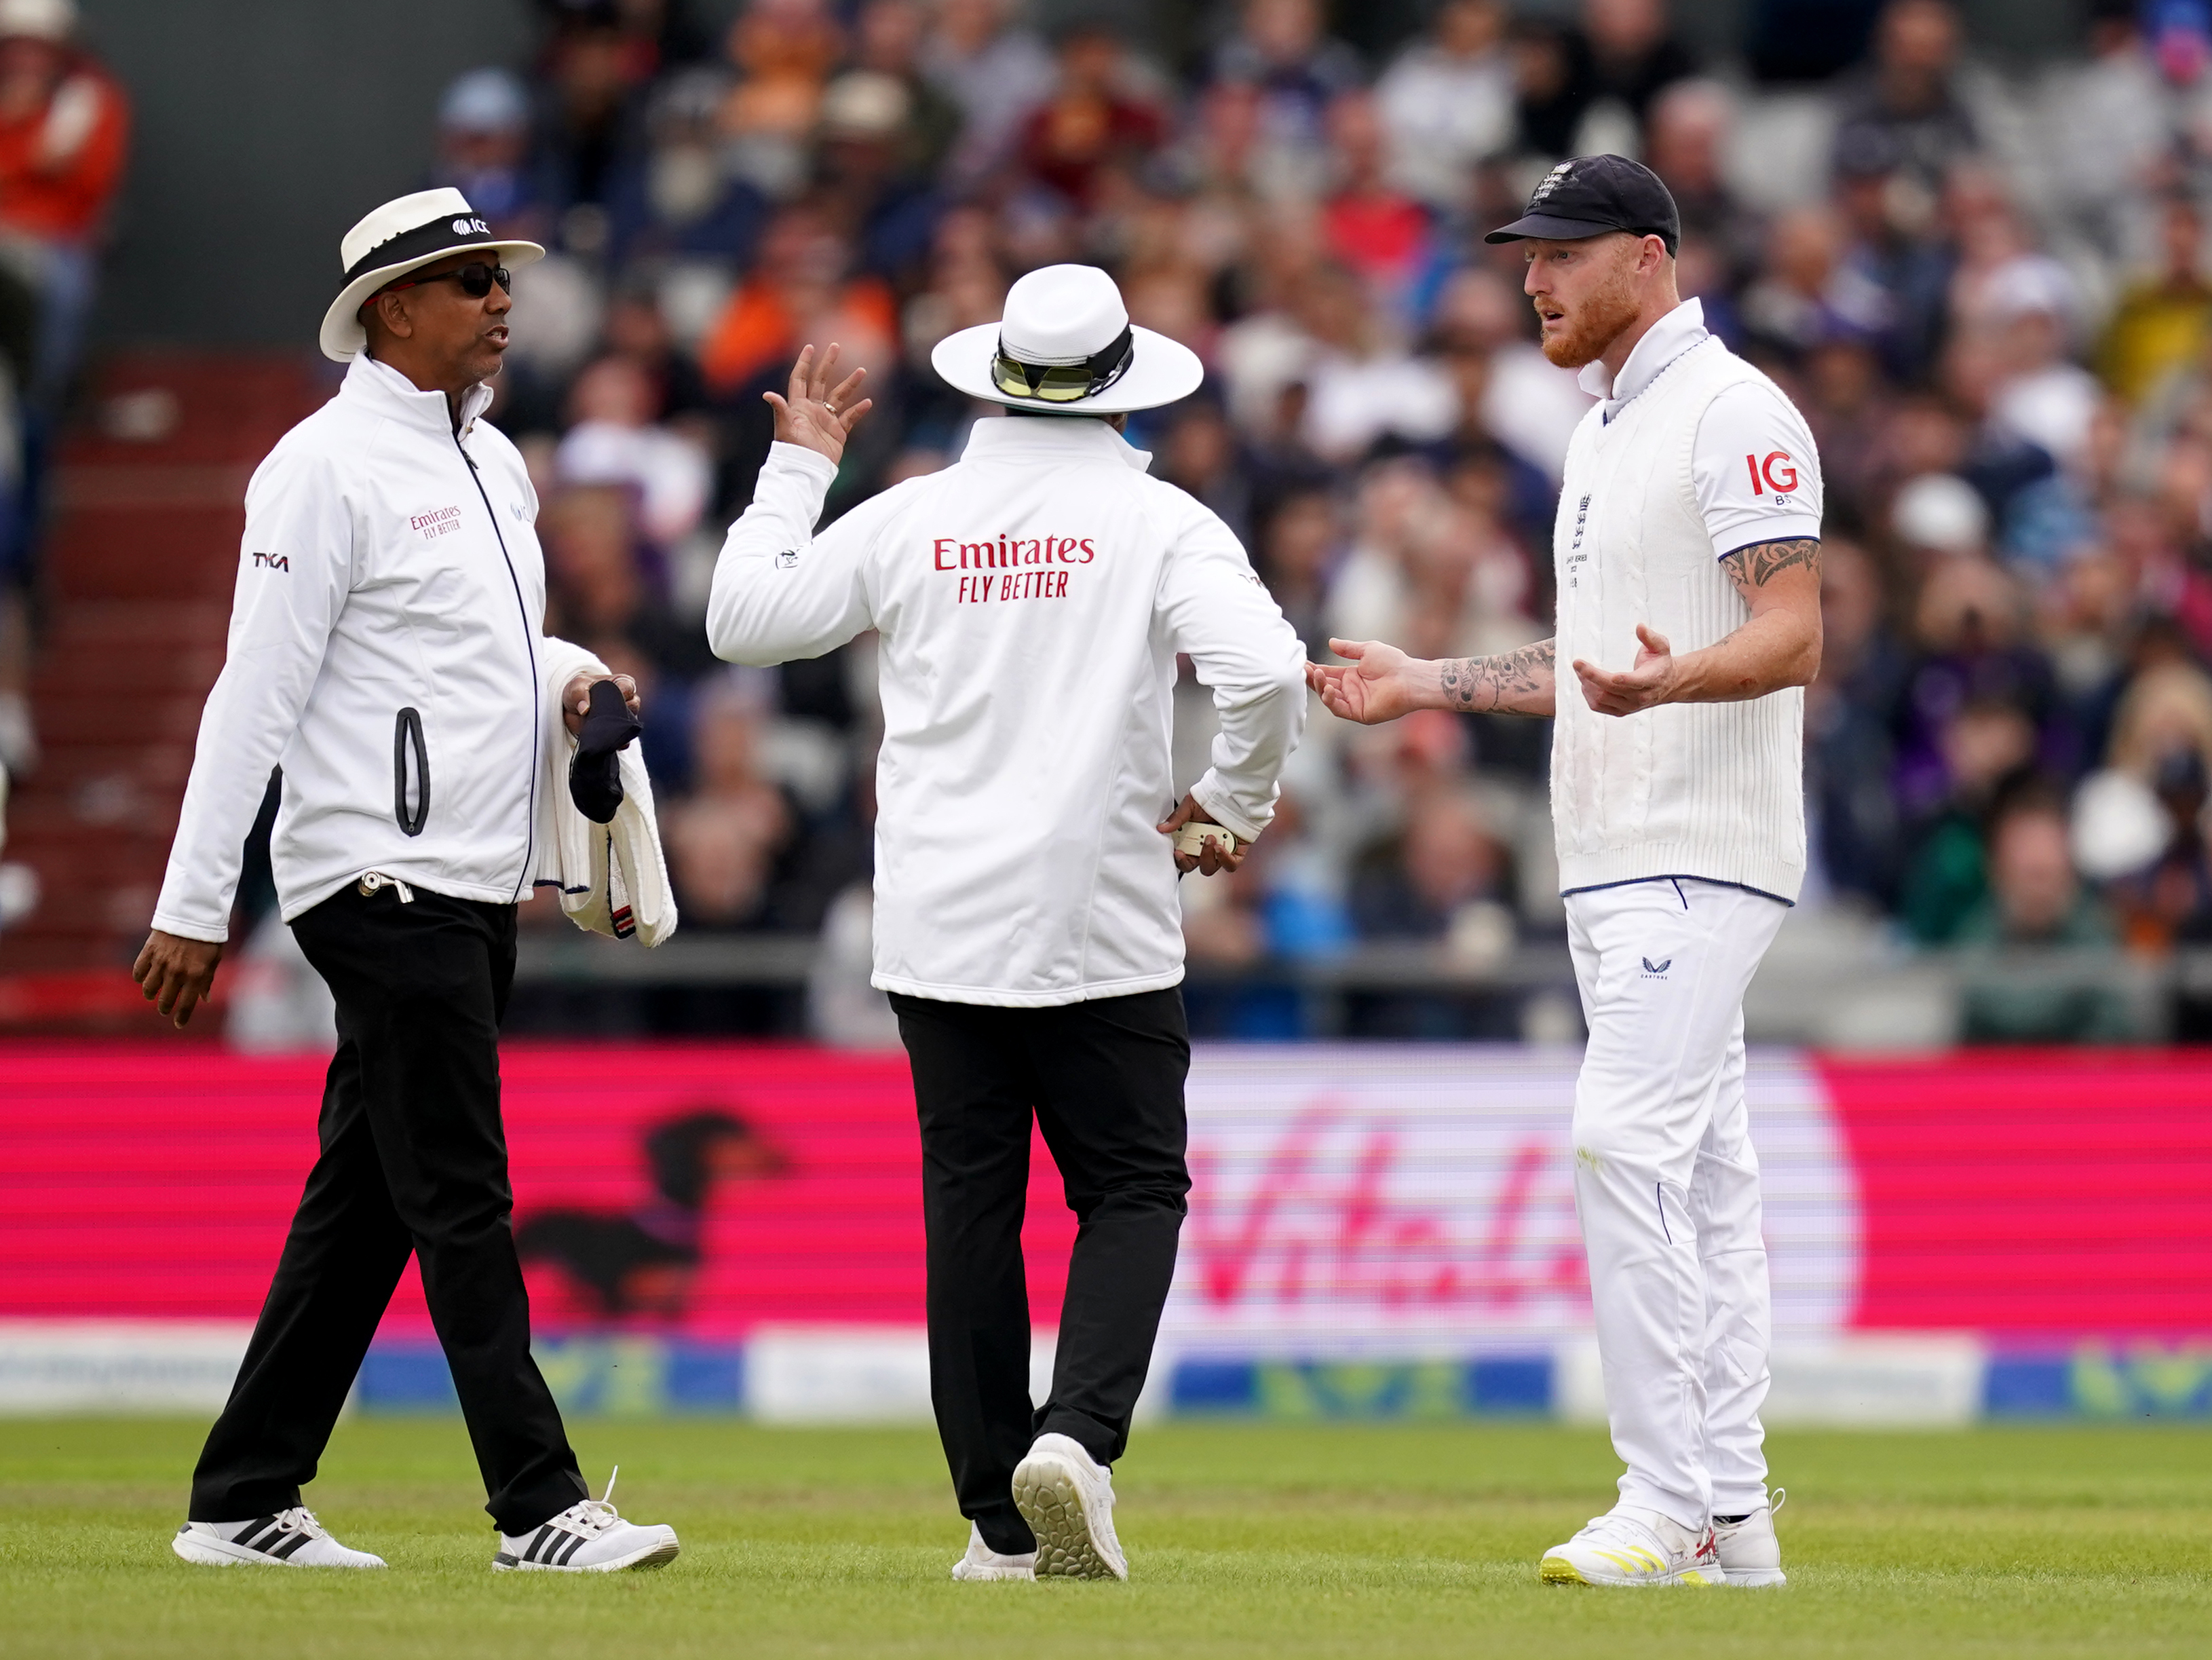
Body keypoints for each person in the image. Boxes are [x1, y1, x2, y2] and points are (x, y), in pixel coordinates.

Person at [706, 264, 1306, 1581]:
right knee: (1130, 1184)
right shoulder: (1160, 523)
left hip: (936, 922)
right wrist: (1229, 802)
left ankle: (996, 1527)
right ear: (1117, 387)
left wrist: (800, 468)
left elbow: (741, 621)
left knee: (970, 1209)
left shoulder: (913, 517)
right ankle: (1077, 1441)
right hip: (1099, 914)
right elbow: (1264, 668)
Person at [132, 189, 679, 1575]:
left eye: (500, 279)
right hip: (375, 874)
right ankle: (538, 1504)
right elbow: (252, 695)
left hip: (469, 876)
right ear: (392, 310)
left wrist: (570, 690)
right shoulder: (321, 469)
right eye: (471, 281)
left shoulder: (493, 465)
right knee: (462, 1191)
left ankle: (241, 1495)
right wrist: (196, 900)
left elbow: (487, 658)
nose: (501, 300)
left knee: (370, 1198)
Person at [1310, 155, 1823, 1589]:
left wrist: (1678, 687)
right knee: (1707, 1183)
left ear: (1647, 257)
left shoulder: (1733, 411)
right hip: (1611, 854)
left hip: (1699, 849)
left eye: (1559, 253)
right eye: (1523, 253)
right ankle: (1738, 1520)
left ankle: (1663, 1502)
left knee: (1619, 1138)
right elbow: (1593, 666)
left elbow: (1793, 632)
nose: (1529, 278)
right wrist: (1429, 681)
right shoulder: (1601, 431)